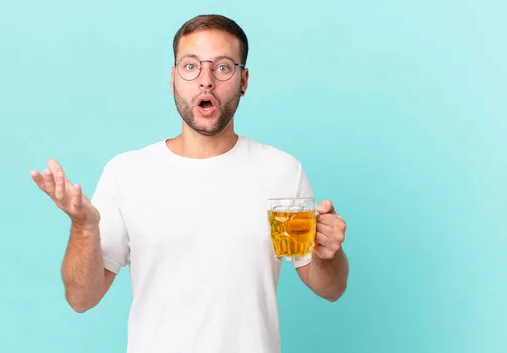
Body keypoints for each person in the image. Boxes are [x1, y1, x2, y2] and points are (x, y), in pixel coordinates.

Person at [31, 14, 349, 353]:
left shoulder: (281, 171)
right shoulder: (128, 173)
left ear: (243, 80)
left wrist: (327, 252)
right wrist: (83, 227)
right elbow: (81, 298)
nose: (206, 81)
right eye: (191, 66)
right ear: (172, 78)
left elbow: (330, 288)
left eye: (223, 67)